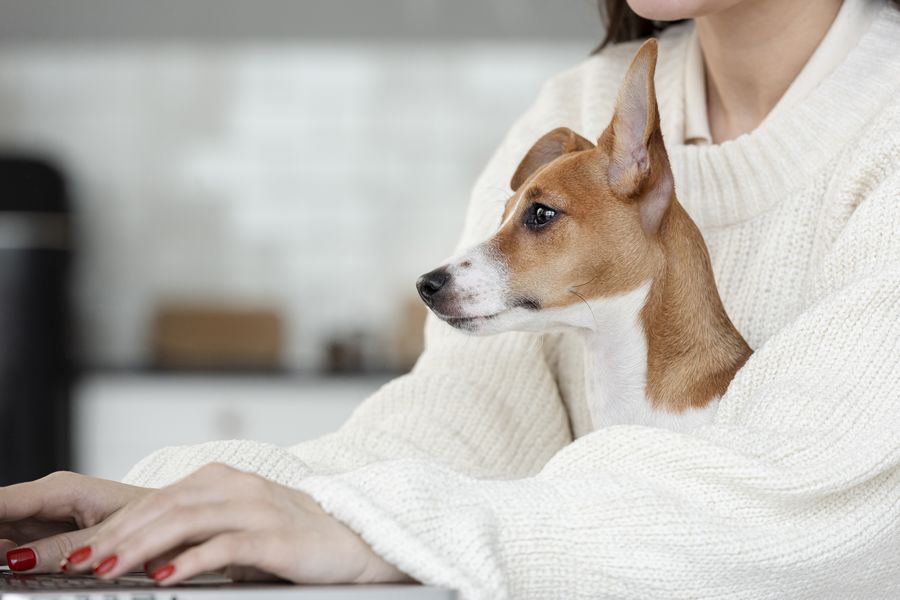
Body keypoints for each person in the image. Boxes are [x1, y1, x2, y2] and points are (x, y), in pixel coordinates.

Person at [3, 0, 899, 597]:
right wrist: (177, 503)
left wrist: (378, 530)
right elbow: (458, 436)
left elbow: (799, 502)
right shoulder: (581, 107)